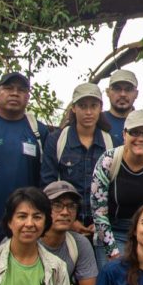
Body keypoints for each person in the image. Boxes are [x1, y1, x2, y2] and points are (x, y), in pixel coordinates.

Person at [0, 72, 48, 277]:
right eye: (8, 88)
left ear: (28, 96)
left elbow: (45, 177)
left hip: (20, 227)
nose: (14, 94)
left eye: (21, 90)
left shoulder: (38, 130)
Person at [90, 109, 143, 263]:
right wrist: (113, 252)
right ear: (124, 134)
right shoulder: (108, 162)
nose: (141, 138)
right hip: (113, 230)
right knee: (117, 278)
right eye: (135, 132)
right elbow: (98, 211)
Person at [42, 83, 115, 224]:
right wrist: (71, 221)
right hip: (64, 222)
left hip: (103, 224)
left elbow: (116, 188)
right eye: (82, 106)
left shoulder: (112, 143)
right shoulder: (57, 140)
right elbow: (47, 184)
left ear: (101, 108)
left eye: (93, 106)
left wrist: (103, 221)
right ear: (74, 108)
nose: (88, 112)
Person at [40, 181, 98, 285]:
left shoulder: (79, 244)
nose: (65, 212)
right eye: (57, 205)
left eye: (71, 206)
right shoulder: (27, 239)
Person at [103, 68, 140, 144]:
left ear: (136, 94)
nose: (123, 94)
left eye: (128, 89)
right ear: (107, 92)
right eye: (117, 89)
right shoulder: (96, 122)